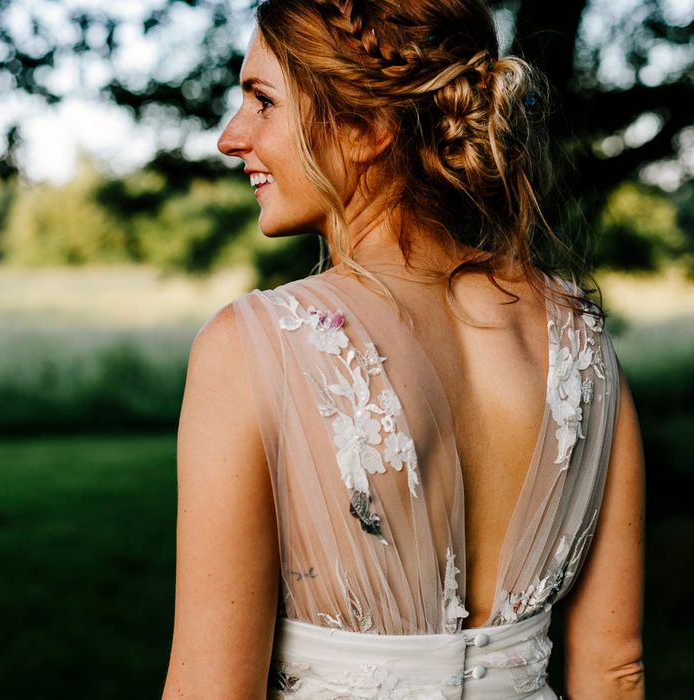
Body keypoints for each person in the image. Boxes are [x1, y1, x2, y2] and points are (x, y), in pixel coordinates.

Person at [162, 0, 645, 697]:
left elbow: (212, 687)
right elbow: (615, 671)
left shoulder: (253, 347)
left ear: (365, 129)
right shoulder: (579, 338)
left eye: (262, 101)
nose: (230, 138)